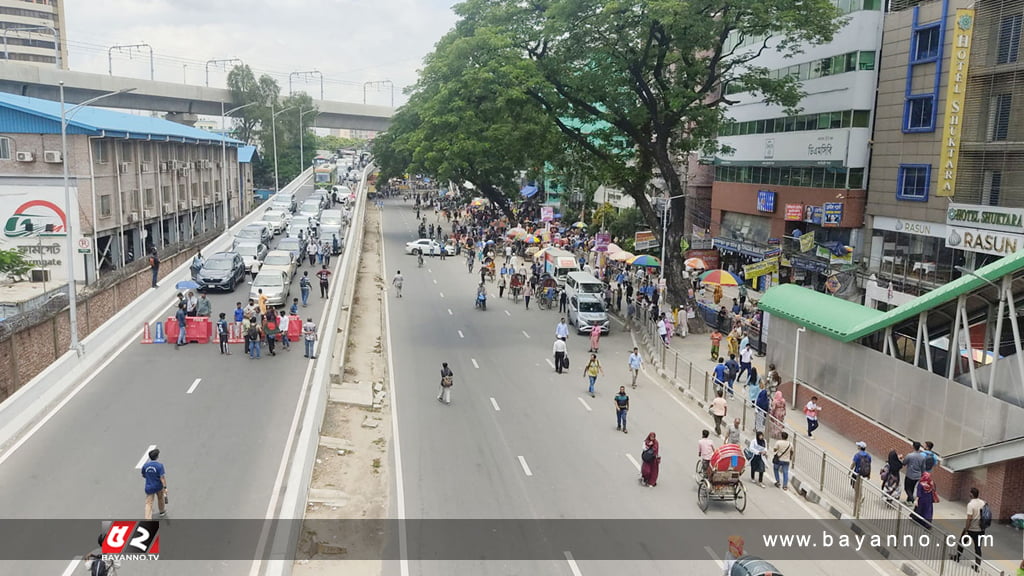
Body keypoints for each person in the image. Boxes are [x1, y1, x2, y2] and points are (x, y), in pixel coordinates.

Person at [952, 487, 987, 568]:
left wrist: (966, 530)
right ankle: (977, 566)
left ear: (971, 494)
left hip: (971, 529)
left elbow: (969, 518)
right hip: (981, 530)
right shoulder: (983, 503)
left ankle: (957, 557)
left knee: (961, 542)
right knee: (978, 547)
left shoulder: (971, 505)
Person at [141, 448, 167, 519]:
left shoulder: (145, 466)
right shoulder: (159, 466)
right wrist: (165, 487)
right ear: (157, 457)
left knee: (149, 503)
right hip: (158, 486)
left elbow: (143, 475)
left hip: (149, 487)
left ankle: (148, 518)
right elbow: (162, 478)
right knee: (160, 498)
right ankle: (162, 511)